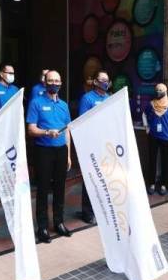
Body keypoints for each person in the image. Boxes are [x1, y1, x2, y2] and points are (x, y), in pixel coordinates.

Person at [26, 70, 72, 243]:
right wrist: (46, 132)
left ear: (61, 83)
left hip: (61, 151)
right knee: (43, 189)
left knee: (60, 188)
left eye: (57, 81)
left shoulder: (64, 105)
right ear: (45, 83)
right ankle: (43, 227)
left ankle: (59, 223)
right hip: (43, 150)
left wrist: (68, 154)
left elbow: (67, 130)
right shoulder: (36, 103)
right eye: (51, 80)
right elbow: (31, 129)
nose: (54, 83)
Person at [78, 71, 111, 224]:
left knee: (104, 177)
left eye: (107, 80)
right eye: (102, 80)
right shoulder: (87, 98)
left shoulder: (109, 98)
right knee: (90, 178)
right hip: (91, 144)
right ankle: (87, 212)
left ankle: (101, 208)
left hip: (105, 145)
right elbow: (82, 121)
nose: (105, 82)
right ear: (96, 82)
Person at [143, 83, 168, 196]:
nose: (158, 92)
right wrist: (147, 127)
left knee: (165, 162)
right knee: (152, 160)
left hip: (166, 137)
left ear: (165, 91)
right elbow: (144, 115)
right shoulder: (151, 104)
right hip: (153, 136)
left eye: (161, 90)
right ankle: (152, 184)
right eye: (157, 90)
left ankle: (163, 184)